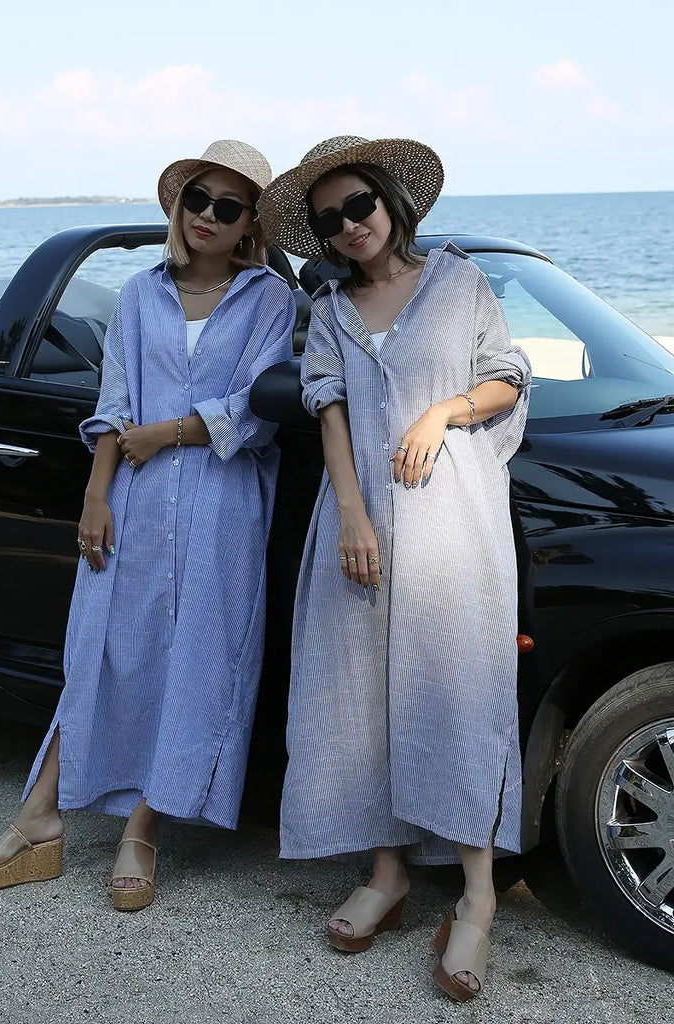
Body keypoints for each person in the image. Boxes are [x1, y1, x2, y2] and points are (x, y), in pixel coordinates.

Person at [0, 140, 296, 910]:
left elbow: (256, 409)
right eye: (197, 199)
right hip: (135, 497)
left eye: (228, 206)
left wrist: (169, 432)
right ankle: (40, 815)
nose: (208, 216)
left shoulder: (269, 299)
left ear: (250, 223)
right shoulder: (140, 293)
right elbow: (113, 401)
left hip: (222, 503)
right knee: (104, 651)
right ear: (179, 206)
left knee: (196, 661)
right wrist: (96, 494)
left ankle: (141, 829)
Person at [257, 136, 531, 1000]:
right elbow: (328, 410)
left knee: (459, 695)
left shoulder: (459, 283)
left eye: (359, 205)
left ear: (389, 202)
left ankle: (478, 896)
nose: (349, 226)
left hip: (455, 526)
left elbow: (507, 379)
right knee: (362, 701)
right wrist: (350, 512)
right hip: (361, 530)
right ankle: (388, 873)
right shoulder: (332, 310)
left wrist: (441, 412)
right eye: (329, 220)